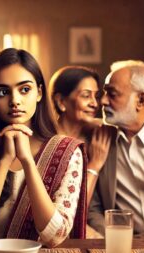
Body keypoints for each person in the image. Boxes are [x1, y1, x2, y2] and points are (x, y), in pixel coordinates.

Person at [0, 48, 87, 248]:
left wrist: (27, 162)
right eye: (2, 92)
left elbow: (55, 237)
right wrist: (4, 162)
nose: (15, 100)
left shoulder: (67, 152)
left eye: (25, 89)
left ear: (39, 93)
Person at [88, 60, 144, 235]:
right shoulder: (99, 141)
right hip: (124, 246)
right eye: (104, 93)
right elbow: (93, 210)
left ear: (141, 100)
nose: (102, 101)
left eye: (112, 94)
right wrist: (113, 238)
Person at [49, 66, 112, 206]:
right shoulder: (46, 143)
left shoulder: (96, 135)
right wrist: (94, 166)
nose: (95, 104)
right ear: (61, 101)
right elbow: (72, 209)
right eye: (85, 95)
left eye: (95, 96)